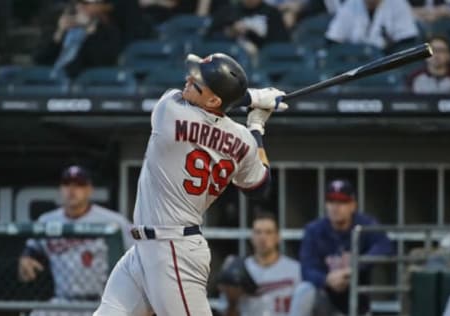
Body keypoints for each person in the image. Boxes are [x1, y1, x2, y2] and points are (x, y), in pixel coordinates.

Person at [93, 53, 288, 316]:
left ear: (213, 99)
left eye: (197, 82)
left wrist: (254, 98)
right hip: (145, 250)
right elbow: (260, 186)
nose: (188, 80)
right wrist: (256, 128)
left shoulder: (169, 111)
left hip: (173, 248)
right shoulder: (242, 141)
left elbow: (226, 105)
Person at [18, 165, 134, 316]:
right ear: (61, 189)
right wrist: (26, 257)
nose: (72, 190)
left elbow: (138, 252)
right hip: (63, 300)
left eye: (79, 185)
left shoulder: (113, 220)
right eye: (67, 184)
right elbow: (32, 249)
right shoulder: (47, 220)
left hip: (101, 300)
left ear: (89, 190)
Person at [297, 179, 392, 316]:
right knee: (304, 289)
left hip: (357, 301)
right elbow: (307, 270)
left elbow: (385, 245)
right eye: (331, 201)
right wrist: (327, 279)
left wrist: (354, 268)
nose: (335, 207)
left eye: (342, 202)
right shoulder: (314, 230)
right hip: (324, 301)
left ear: (353, 205)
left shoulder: (363, 224)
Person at [218, 212, 302, 316]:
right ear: (252, 237)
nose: (263, 237)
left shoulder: (296, 270)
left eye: (269, 232)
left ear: (278, 237)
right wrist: (232, 302)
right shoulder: (238, 270)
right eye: (258, 232)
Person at [33, 0, 121, 78]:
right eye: (77, 2)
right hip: (52, 83)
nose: (79, 7)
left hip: (87, 86)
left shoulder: (108, 31)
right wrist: (59, 33)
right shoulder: (57, 26)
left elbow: (101, 62)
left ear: (98, 7)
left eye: (86, 4)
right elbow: (39, 59)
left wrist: (87, 30)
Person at [325, 0, 419, 51]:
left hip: (387, 63)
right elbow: (333, 38)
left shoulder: (398, 3)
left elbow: (408, 40)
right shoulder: (351, 4)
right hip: (356, 61)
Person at [207, 0, 290, 53]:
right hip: (231, 56)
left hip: (261, 59)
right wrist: (230, 32)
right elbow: (210, 36)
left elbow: (281, 43)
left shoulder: (272, 13)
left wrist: (252, 34)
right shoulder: (229, 10)